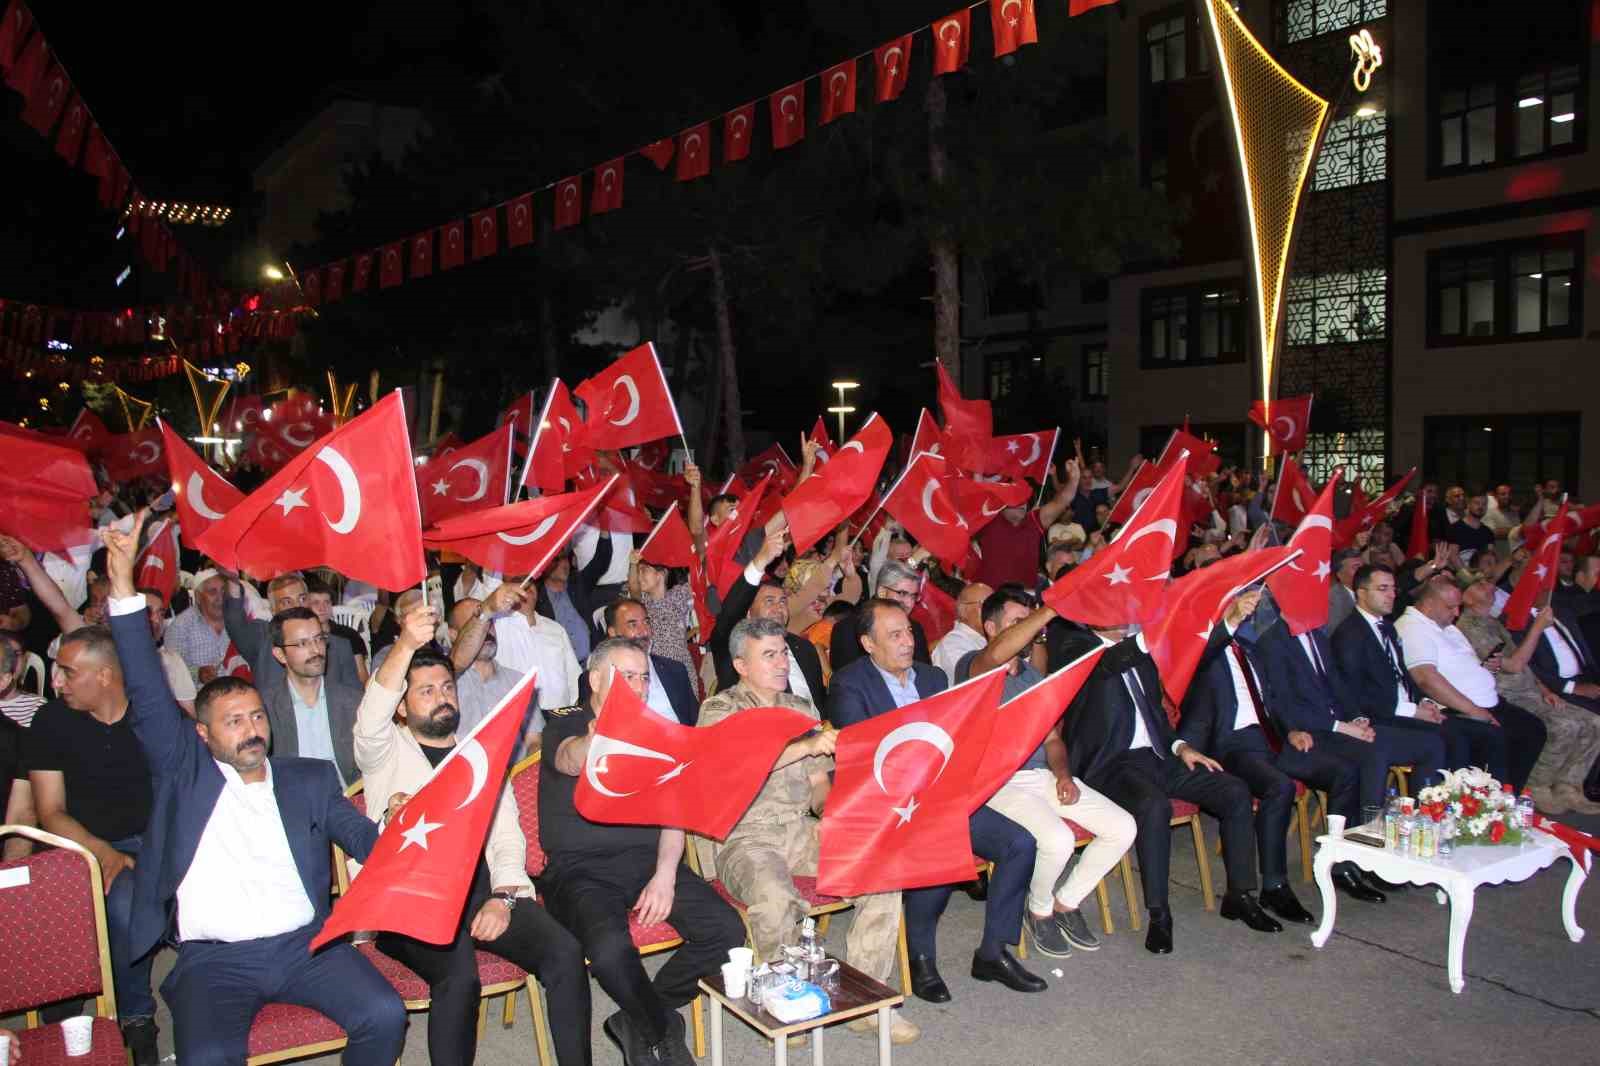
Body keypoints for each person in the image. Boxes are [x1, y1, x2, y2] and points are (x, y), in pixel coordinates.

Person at [100, 516, 405, 1066]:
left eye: (257, 717)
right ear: (202, 733)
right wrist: (122, 585)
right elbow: (145, 687)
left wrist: (398, 826)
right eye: (234, 721)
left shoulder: (305, 778)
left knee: (385, 1014)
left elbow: (363, 838)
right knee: (208, 1057)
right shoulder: (186, 772)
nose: (252, 729)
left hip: (306, 947)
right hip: (216, 962)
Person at [355, 601, 590, 1066]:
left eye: (447, 686)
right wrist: (404, 643)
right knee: (459, 978)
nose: (442, 696)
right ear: (402, 706)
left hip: (480, 892)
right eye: (425, 691)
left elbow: (507, 839)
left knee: (564, 952)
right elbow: (370, 717)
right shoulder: (383, 752)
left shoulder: (479, 755)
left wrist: (503, 899)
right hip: (410, 900)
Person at [699, 618, 918, 1045]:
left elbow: (819, 786)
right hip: (745, 836)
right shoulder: (720, 710)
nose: (783, 662)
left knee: (883, 869)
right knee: (775, 897)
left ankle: (866, 999)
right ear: (741, 664)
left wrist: (839, 816)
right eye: (770, 655)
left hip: (799, 828)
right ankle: (784, 998)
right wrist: (804, 746)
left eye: (783, 652)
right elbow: (734, 769)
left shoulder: (801, 709)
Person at [540, 638, 744, 1066]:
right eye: (626, 676)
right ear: (595, 680)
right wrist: (595, 740)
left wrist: (665, 875)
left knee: (726, 931)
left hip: (647, 863)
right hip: (580, 872)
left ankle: (636, 1017)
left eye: (643, 677)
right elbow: (568, 759)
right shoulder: (565, 721)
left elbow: (674, 816)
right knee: (611, 951)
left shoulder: (658, 732)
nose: (638, 686)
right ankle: (661, 1028)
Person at [829, 599, 1046, 1002]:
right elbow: (863, 756)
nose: (907, 641)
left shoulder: (931, 678)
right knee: (941, 850)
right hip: (893, 805)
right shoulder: (849, 683)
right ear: (868, 643)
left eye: (909, 631)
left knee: (1020, 843)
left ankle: (994, 951)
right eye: (894, 635)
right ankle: (921, 957)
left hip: (945, 796)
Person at [1059, 591, 1280, 955]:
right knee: (1154, 806)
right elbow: (1109, 663)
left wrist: (1182, 747)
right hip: (1109, 765)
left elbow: (1178, 675)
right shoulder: (1073, 649)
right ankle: (1160, 913)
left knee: (1235, 791)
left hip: (1159, 756)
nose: (1123, 610)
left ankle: (1240, 894)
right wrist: (1161, 629)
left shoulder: (1139, 652)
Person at [955, 589, 1136, 957]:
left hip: (1041, 777)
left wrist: (1064, 775)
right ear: (991, 628)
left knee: (1123, 827)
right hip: (997, 783)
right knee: (1057, 839)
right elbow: (994, 655)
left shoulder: (1034, 677)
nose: (1027, 629)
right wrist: (1050, 609)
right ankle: (1038, 911)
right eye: (1015, 622)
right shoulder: (974, 667)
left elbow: (1053, 740)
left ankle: (1066, 903)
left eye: (1029, 621)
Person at [22, 624, 157, 1062]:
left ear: (103, 676)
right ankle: (106, 1011)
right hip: (74, 846)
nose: (56, 682)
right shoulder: (52, 720)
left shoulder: (150, 716)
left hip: (148, 843)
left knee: (127, 901)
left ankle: (134, 1014)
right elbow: (50, 810)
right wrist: (103, 853)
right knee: (106, 900)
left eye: (67, 672)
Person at [1180, 614, 1367, 925]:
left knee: (1344, 772)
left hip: (1273, 740)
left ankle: (1341, 864)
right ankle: (1274, 885)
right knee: (1279, 786)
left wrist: (1291, 729)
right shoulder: (1202, 655)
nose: (1244, 618)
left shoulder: (1250, 650)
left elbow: (1273, 701)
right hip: (1235, 746)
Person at [1255, 617, 1440, 902]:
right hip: (1306, 735)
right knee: (1372, 755)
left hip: (1340, 728)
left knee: (1431, 744)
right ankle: (1364, 852)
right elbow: (1280, 704)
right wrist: (1343, 727)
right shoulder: (1272, 638)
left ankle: (1419, 838)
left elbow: (1339, 686)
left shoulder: (1316, 631)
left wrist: (1357, 718)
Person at [1332, 564, 1484, 784]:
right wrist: (1412, 711)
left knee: (1476, 732)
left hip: (1405, 708)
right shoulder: (1349, 635)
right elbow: (1357, 696)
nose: (1392, 595)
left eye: (1393, 589)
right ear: (1361, 593)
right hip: (1379, 717)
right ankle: (1433, 807)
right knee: (1449, 739)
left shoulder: (1388, 628)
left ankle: (1472, 802)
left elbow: (1403, 674)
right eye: (1383, 589)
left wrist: (1424, 701)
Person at [1457, 583, 1600, 814]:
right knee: (1565, 726)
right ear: (1467, 598)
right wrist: (1537, 628)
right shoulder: (1469, 627)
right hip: (1510, 696)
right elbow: (1514, 666)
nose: (1490, 587)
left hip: (1531, 692)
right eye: (1480, 586)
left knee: (1594, 722)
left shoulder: (1493, 621)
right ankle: (1538, 787)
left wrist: (1545, 690)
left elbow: (1527, 669)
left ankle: (1568, 786)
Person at [1394, 580, 1547, 792]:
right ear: (1429, 603)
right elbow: (1426, 679)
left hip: (1487, 701)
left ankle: (1508, 795)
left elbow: (1466, 665)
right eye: (1451, 607)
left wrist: (1486, 670)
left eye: (1458, 606)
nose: (1457, 613)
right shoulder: (1412, 628)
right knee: (1499, 736)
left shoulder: (1446, 626)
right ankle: (1489, 801)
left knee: (1532, 729)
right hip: (1455, 708)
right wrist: (1475, 711)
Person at [708, 526, 827, 703]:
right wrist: (760, 561)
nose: (779, 607)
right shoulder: (734, 645)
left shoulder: (805, 649)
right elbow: (730, 613)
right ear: (748, 612)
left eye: (783, 601)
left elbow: (822, 704)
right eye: (769, 601)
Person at [224, 572, 363, 690]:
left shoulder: (339, 646)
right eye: (287, 602)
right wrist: (232, 581)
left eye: (302, 599)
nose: (297, 606)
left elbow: (352, 700)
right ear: (273, 610)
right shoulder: (262, 638)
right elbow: (235, 622)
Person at [971, 460, 1082, 589]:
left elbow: (1062, 501)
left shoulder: (1034, 521)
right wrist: (976, 461)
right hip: (991, 598)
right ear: (1002, 504)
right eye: (1017, 500)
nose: (1023, 504)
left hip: (1026, 598)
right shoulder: (989, 520)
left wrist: (1074, 479)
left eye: (1024, 501)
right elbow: (976, 493)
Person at [484, 572, 584, 715]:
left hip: (560, 716)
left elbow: (574, 678)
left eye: (530, 582)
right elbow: (490, 584)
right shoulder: (498, 626)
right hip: (521, 719)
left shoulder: (555, 628)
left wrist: (574, 713)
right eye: (518, 582)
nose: (527, 586)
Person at [593, 597, 699, 725]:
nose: (644, 631)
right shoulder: (599, 677)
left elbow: (697, 722)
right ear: (613, 633)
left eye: (646, 622)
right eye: (633, 625)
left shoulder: (674, 670)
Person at [446, 589, 536, 737]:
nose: (486, 630)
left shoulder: (518, 682)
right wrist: (486, 609)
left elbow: (534, 741)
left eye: (489, 621)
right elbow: (455, 663)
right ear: (454, 635)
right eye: (475, 624)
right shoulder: (446, 684)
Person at [829, 560, 932, 677]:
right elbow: (847, 682)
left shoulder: (915, 628)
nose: (909, 603)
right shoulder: (847, 629)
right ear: (882, 592)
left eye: (913, 596)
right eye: (902, 593)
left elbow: (925, 677)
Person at [626, 550, 697, 683]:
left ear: (661, 573)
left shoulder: (678, 595)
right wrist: (633, 563)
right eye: (638, 571)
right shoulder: (643, 603)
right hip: (656, 673)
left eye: (644, 570)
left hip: (681, 668)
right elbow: (633, 588)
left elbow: (698, 574)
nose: (639, 576)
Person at [160, 569, 230, 682]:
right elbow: (171, 671)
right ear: (198, 596)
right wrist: (198, 673)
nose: (220, 598)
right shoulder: (180, 627)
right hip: (199, 697)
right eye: (212, 592)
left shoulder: (237, 621)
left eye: (223, 591)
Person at [304, 578, 370, 684]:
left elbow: (362, 676)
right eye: (316, 603)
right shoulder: (302, 636)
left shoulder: (349, 634)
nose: (322, 608)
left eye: (327, 602)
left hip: (346, 690)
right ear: (307, 607)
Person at [930, 581, 992, 685]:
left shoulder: (993, 637)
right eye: (986, 604)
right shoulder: (952, 644)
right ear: (963, 610)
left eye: (996, 605)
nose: (993, 610)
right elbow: (974, 683)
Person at [1445, 494, 1495, 563]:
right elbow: (1453, 556)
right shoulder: (1455, 528)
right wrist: (1465, 573)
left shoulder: (1488, 532)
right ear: (1468, 505)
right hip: (1459, 572)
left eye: (1484, 504)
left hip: (1482, 571)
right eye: (1477, 503)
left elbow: (1490, 556)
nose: (1481, 507)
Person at [1326, 549, 1363, 635]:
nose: (1362, 571)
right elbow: (1335, 634)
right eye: (1355, 567)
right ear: (1339, 574)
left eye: (1362, 567)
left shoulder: (1371, 592)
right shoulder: (1333, 599)